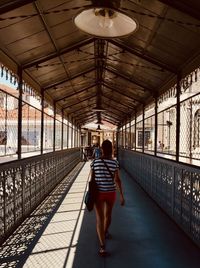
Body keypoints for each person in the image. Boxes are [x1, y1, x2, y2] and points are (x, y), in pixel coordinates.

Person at [90, 140, 125, 256]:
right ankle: (104, 232)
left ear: (102, 149)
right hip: (110, 192)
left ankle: (102, 246)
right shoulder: (114, 163)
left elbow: (91, 180)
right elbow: (118, 180)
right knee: (108, 215)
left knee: (99, 219)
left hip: (98, 193)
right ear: (111, 149)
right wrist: (122, 196)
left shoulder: (95, 162)